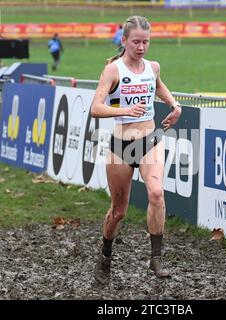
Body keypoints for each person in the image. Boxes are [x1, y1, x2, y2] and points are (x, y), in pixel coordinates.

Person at [90, 16, 182, 286]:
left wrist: (174, 105)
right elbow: (95, 108)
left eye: (146, 42)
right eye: (136, 42)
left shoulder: (152, 67)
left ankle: (156, 258)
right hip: (120, 146)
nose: (141, 47)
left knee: (156, 193)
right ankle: (105, 255)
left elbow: (158, 84)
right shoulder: (113, 71)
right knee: (119, 211)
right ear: (124, 40)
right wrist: (124, 110)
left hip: (150, 140)